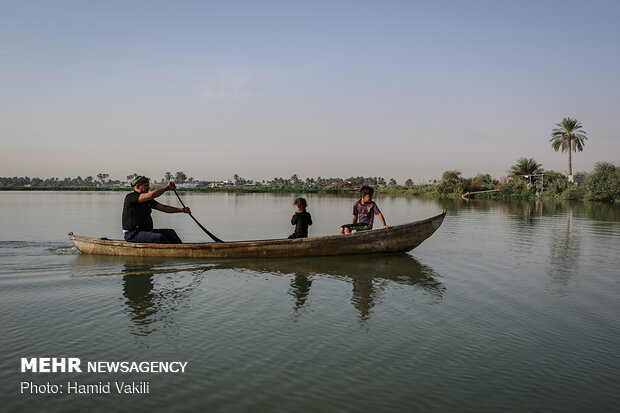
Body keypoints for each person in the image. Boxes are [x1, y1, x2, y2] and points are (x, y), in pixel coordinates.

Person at [122, 176, 191, 244]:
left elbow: (164, 208)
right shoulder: (131, 197)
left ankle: (180, 249)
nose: (148, 188)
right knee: (159, 237)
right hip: (132, 234)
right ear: (137, 187)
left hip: (146, 232)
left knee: (170, 232)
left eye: (148, 185)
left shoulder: (148, 200)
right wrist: (166, 187)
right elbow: (151, 195)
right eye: (146, 186)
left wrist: (182, 210)